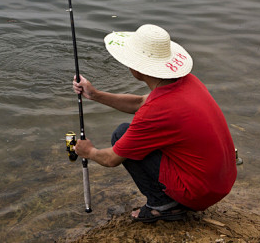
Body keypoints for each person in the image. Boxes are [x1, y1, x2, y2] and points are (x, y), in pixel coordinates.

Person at [72, 24, 236, 223]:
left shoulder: (156, 111)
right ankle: (171, 199)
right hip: (220, 182)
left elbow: (111, 160)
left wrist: (88, 151)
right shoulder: (188, 81)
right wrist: (95, 95)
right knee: (131, 137)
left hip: (200, 193)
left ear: (137, 68)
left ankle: (162, 206)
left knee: (121, 134)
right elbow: (141, 102)